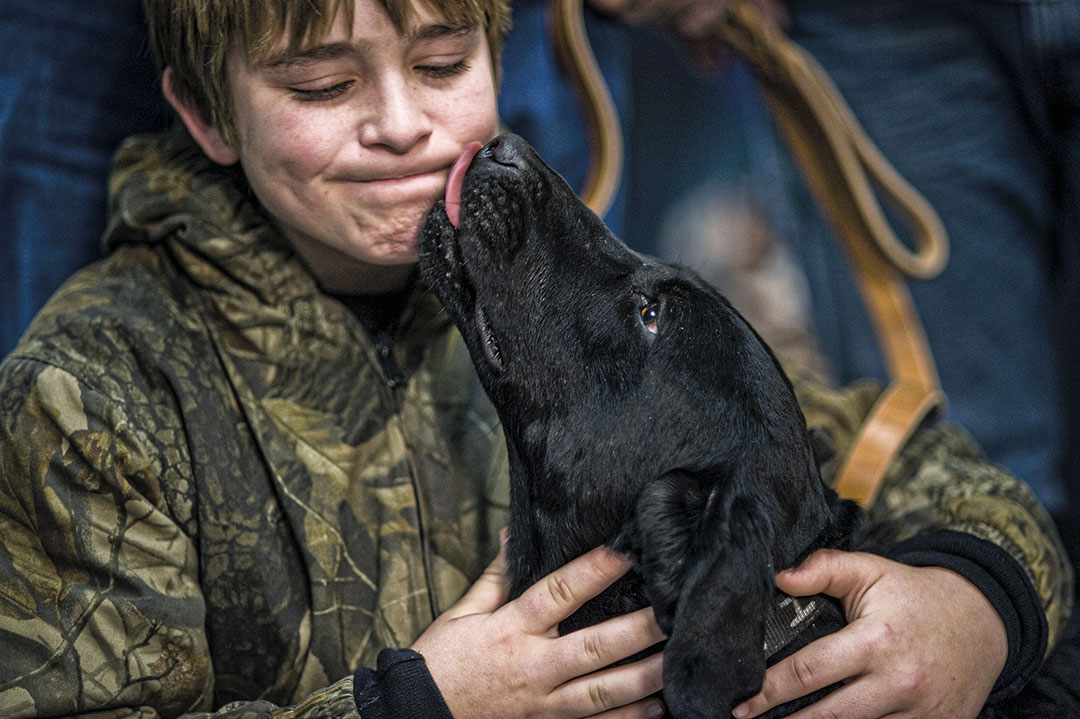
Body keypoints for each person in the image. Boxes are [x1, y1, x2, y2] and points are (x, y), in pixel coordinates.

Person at [0, 2, 1071, 719]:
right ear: (204, 109)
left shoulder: (546, 299)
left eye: (443, 64)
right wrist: (420, 705)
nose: (404, 126)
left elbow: (910, 457)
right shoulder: (91, 397)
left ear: (502, 59)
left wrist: (981, 604)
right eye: (323, 86)